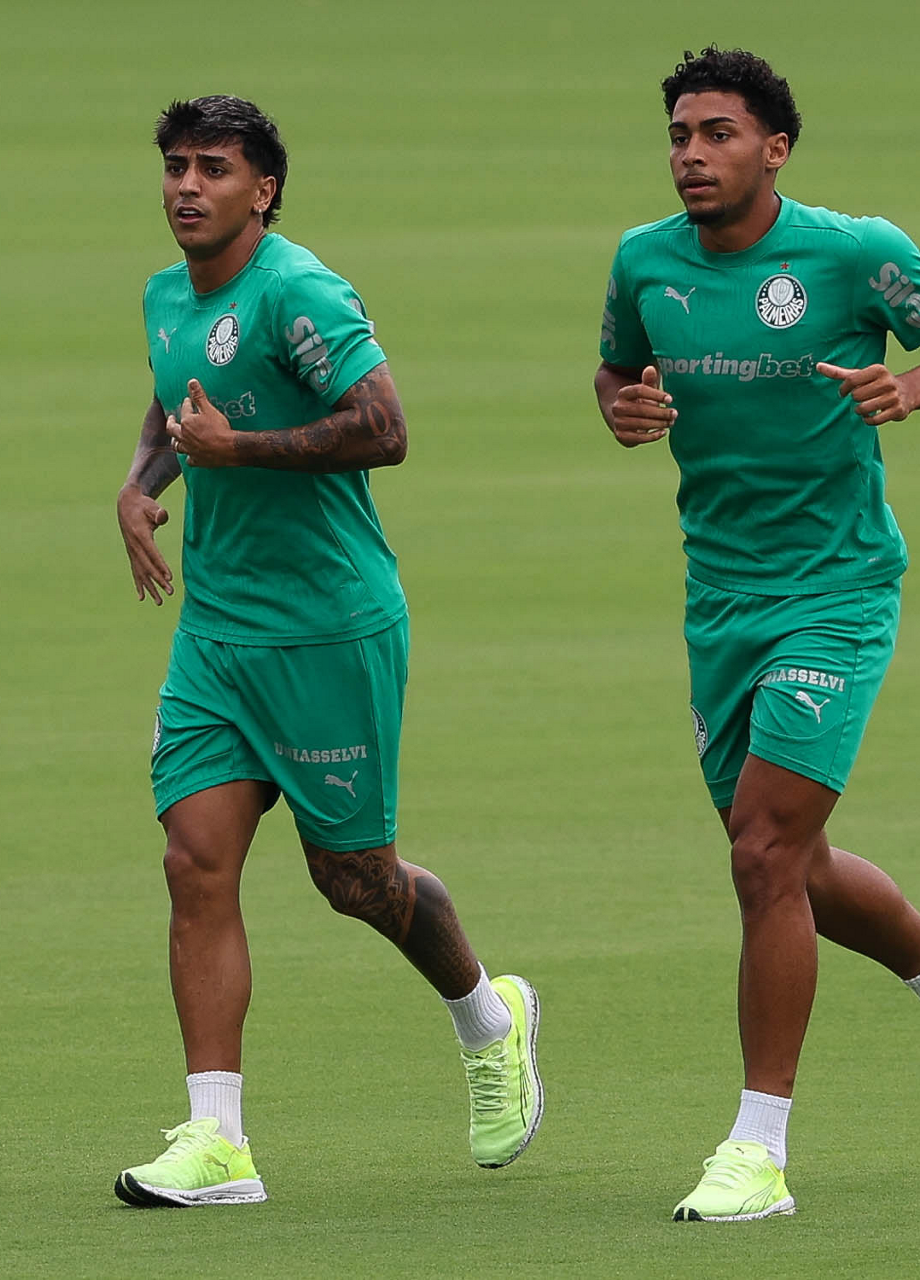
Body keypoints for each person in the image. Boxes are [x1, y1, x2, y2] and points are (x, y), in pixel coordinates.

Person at [594, 48, 920, 1223]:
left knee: (760, 854)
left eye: (718, 133)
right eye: (679, 134)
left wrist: (909, 388)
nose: (691, 154)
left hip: (834, 589)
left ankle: (757, 1147)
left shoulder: (848, 251)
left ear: (774, 149)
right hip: (718, 599)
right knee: (787, 859)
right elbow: (615, 370)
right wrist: (622, 407)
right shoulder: (642, 260)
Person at [114, 95, 542, 1207]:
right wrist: (142, 483)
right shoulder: (167, 293)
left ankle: (488, 1017)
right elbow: (174, 398)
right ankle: (219, 1142)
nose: (187, 186)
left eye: (213, 168)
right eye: (175, 166)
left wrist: (239, 449)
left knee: (353, 880)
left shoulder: (299, 291)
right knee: (194, 859)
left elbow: (385, 427)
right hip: (217, 634)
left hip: (329, 628)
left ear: (264, 189)